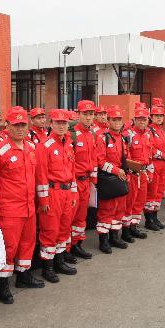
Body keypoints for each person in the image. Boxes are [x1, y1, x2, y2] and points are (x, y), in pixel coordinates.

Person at [0, 106, 44, 304]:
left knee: (27, 243)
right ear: (7, 125)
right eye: (16, 125)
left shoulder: (30, 148)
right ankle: (3, 284)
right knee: (10, 247)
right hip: (9, 209)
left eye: (23, 124)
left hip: (29, 206)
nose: (20, 129)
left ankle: (23, 276)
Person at [35, 109, 78, 283]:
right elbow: (41, 175)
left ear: (68, 125)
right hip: (52, 193)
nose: (61, 126)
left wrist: (74, 193)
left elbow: (73, 170)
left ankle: (60, 261)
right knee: (50, 230)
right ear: (51, 124)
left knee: (64, 228)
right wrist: (44, 199)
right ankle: (48, 267)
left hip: (67, 192)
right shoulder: (44, 146)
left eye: (64, 123)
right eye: (58, 123)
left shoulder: (68, 143)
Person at [95, 105, 130, 254]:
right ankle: (103, 240)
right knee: (106, 211)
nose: (117, 122)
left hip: (121, 178)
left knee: (119, 209)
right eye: (114, 120)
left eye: (119, 120)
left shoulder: (122, 138)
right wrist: (116, 171)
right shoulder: (103, 138)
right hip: (109, 179)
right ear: (108, 121)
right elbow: (100, 161)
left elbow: (125, 158)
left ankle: (114, 237)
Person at [70, 100, 98, 261]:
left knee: (81, 216)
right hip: (74, 182)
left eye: (90, 114)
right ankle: (67, 249)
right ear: (78, 114)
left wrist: (93, 179)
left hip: (87, 181)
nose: (88, 118)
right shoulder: (72, 134)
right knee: (70, 217)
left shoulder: (92, 134)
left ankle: (77, 244)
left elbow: (93, 159)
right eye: (85, 114)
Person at [120, 107, 151, 242]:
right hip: (132, 174)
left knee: (140, 202)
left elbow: (149, 155)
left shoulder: (147, 135)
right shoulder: (129, 134)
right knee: (130, 202)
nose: (142, 122)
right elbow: (125, 156)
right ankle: (125, 231)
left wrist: (149, 171)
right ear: (135, 120)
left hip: (143, 173)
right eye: (139, 119)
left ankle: (134, 226)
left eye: (144, 119)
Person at [144, 103, 165, 231]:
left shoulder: (162, 131)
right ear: (151, 117)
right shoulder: (149, 130)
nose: (159, 118)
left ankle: (154, 217)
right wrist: (163, 155)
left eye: (161, 116)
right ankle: (149, 219)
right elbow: (150, 148)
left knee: (159, 192)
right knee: (152, 192)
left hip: (163, 165)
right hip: (154, 164)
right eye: (156, 116)